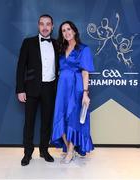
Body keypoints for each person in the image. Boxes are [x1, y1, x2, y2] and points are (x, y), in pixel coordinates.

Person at [16, 14, 59, 166]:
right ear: (38, 25)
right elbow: (21, 67)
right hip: (31, 89)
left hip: (50, 88)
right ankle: (27, 153)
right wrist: (20, 89)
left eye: (48, 24)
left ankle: (44, 150)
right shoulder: (28, 43)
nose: (45, 27)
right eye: (42, 24)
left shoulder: (57, 44)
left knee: (46, 122)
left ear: (52, 26)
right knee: (29, 122)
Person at [51, 21, 95, 164]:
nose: (66, 32)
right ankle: (69, 148)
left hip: (76, 88)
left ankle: (71, 150)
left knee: (74, 119)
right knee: (60, 117)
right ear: (62, 34)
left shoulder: (83, 49)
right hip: (62, 88)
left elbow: (85, 73)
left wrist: (85, 93)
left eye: (68, 29)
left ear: (74, 31)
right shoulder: (61, 50)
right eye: (63, 31)